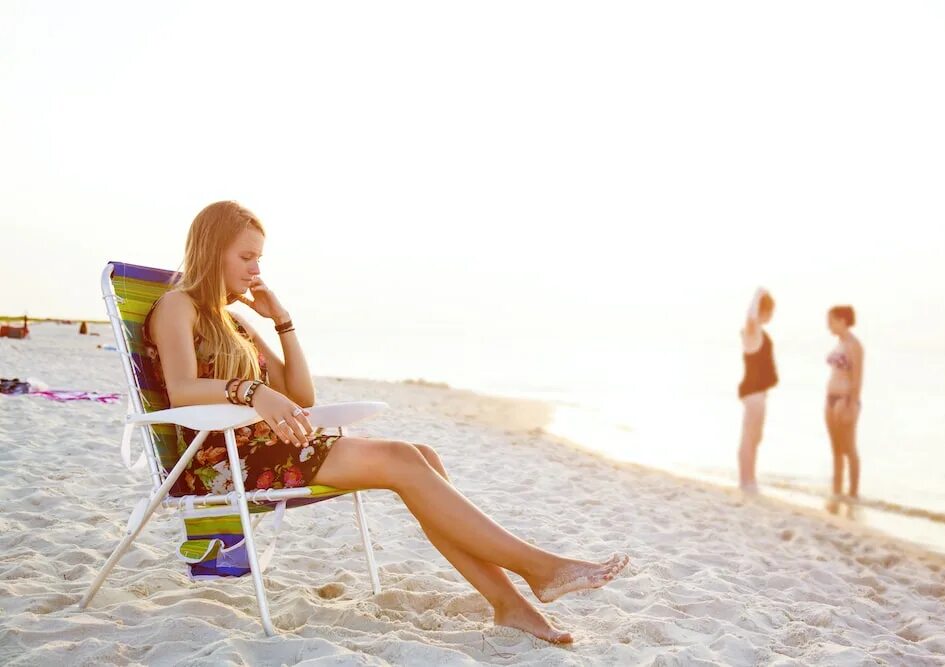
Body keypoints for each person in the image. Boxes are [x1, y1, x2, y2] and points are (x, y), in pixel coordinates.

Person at [143, 201, 628, 644]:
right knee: (401, 459)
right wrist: (251, 389)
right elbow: (182, 388)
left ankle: (511, 604)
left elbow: (301, 394)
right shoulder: (177, 306)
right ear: (213, 251)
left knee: (424, 459)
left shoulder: (236, 323)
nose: (257, 269)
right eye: (247, 257)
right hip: (220, 461)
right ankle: (537, 570)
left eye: (259, 258)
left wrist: (283, 322)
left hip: (269, 447)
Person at [737, 288, 778, 493]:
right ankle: (746, 481)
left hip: (758, 392)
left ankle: (750, 478)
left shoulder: (758, 332)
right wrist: (757, 295)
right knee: (749, 436)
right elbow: (750, 317)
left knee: (756, 436)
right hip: (753, 392)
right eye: (771, 312)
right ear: (765, 311)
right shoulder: (752, 330)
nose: (772, 317)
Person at [824, 305, 863, 502]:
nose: (828, 325)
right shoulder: (838, 344)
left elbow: (857, 378)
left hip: (845, 400)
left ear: (842, 320)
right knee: (836, 450)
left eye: (831, 321)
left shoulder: (854, 345)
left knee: (849, 448)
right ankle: (837, 492)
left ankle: (853, 494)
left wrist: (851, 405)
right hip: (830, 399)